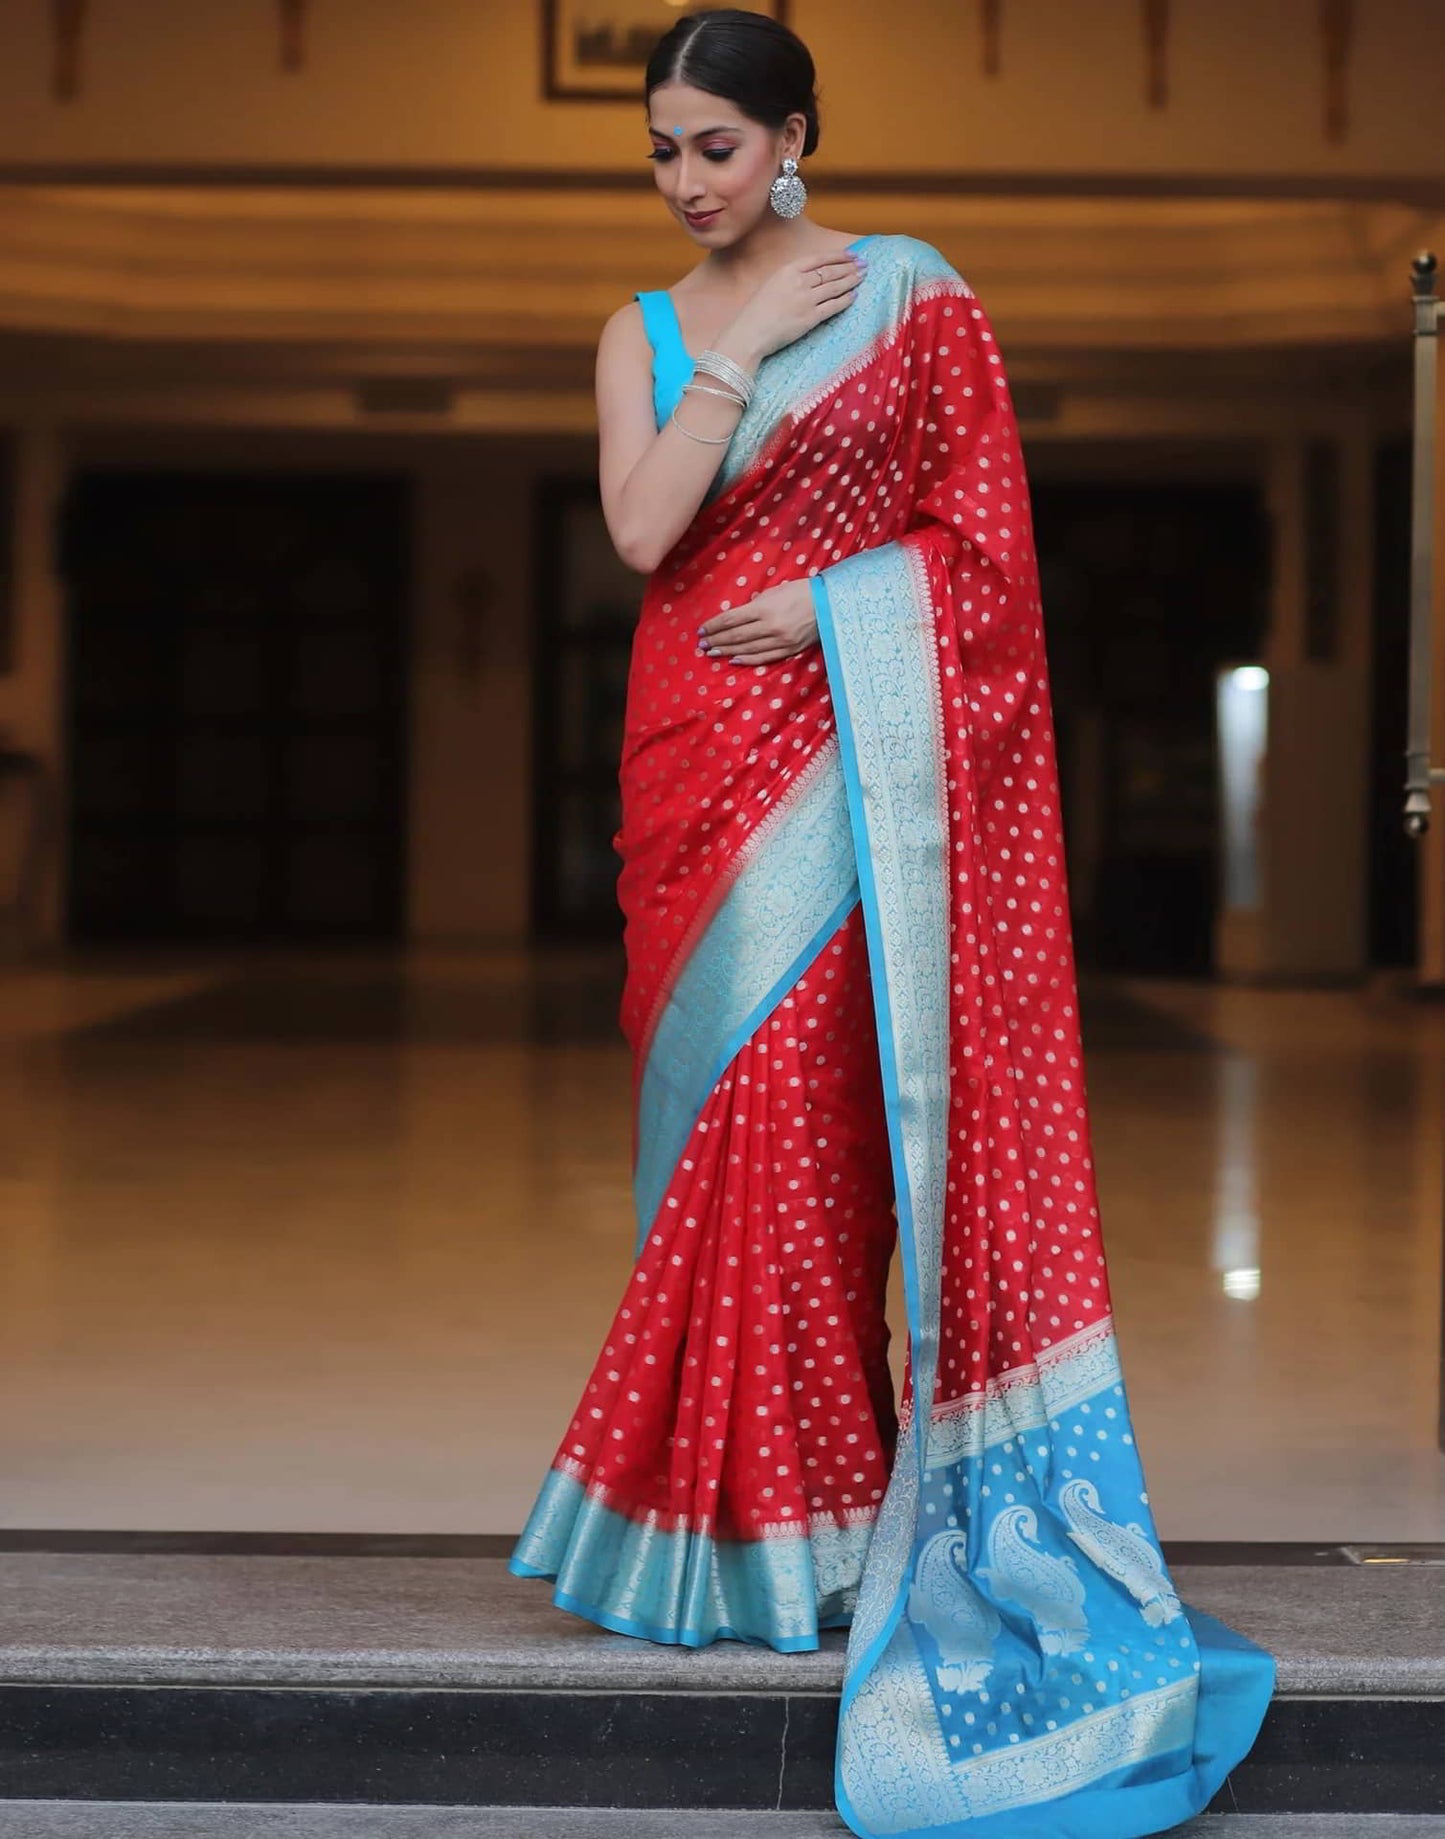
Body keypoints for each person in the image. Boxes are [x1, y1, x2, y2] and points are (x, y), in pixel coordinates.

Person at [510, 10, 1276, 1835]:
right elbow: (638, 533)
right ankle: (702, 1538)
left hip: (855, 766)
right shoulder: (642, 329)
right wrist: (741, 348)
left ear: (796, 137)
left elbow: (984, 544)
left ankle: (838, 1521)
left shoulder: (917, 291)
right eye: (661, 152)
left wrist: (842, 607)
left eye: (717, 144)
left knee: (821, 1140)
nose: (688, 181)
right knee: (712, 1136)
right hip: (696, 754)